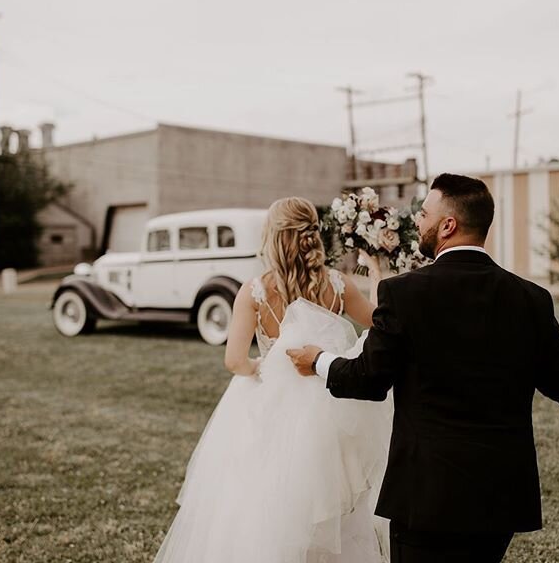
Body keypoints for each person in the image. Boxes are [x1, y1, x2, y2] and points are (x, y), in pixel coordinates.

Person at [288, 173, 559, 563]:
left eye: (424, 214)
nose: (418, 223)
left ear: (448, 225)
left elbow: (367, 379)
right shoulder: (532, 299)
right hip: (501, 495)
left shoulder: (403, 294)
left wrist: (318, 359)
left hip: (427, 496)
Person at [153, 196, 392, 563]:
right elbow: (380, 324)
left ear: (274, 237)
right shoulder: (338, 284)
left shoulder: (255, 291)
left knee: (263, 505)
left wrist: (265, 368)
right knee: (333, 501)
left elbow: (234, 360)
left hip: (272, 409)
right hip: (331, 406)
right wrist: (377, 277)